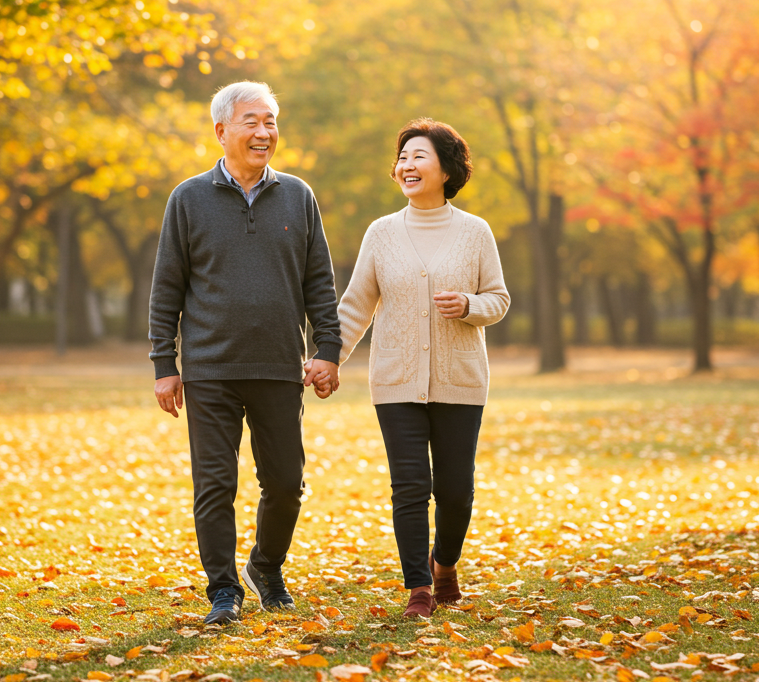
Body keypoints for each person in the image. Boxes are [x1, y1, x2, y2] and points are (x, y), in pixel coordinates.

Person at [148, 81, 342, 626]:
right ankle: (223, 591)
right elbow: (166, 289)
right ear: (221, 131)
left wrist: (327, 350)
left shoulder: (298, 196)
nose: (264, 132)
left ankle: (266, 566)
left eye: (272, 122)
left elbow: (319, 283)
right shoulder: (188, 198)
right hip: (209, 369)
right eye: (252, 121)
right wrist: (166, 367)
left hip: (281, 366)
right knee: (215, 484)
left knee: (285, 483)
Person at [308, 118, 509, 618]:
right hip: (395, 380)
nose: (407, 165)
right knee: (411, 484)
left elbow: (499, 300)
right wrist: (329, 357)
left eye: (418, 156)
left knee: (457, 490)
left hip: (460, 379)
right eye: (402, 158)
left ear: (447, 168)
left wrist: (468, 305)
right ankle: (419, 587)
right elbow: (357, 305)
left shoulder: (475, 232)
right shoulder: (381, 233)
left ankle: (445, 564)